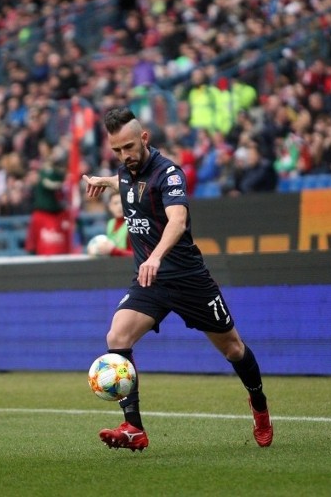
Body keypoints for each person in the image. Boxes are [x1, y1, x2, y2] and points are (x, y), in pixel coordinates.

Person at [82, 108, 273, 451]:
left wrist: (155, 256)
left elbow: (177, 221)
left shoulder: (169, 173)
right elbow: (124, 181)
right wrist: (103, 180)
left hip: (187, 279)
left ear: (144, 138)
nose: (124, 156)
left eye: (128, 147)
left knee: (233, 348)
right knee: (117, 334)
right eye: (117, 151)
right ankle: (133, 428)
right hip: (150, 282)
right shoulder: (126, 172)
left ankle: (258, 405)